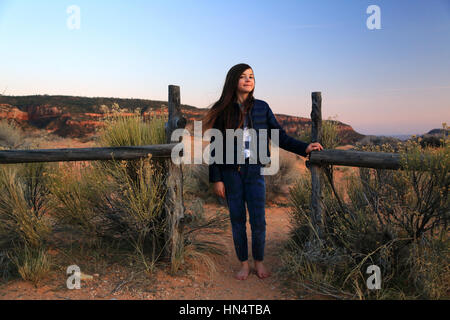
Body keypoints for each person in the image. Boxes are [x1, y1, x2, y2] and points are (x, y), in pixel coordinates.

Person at [202, 63, 323, 280]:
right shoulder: (223, 111)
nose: (248, 80)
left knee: (258, 220)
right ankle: (244, 264)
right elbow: (215, 148)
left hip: (255, 171)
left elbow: (279, 136)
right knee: (237, 219)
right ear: (233, 81)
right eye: (243, 76)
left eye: (251, 76)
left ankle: (259, 261)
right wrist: (217, 179)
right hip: (231, 173)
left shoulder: (262, 107)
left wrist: (304, 147)